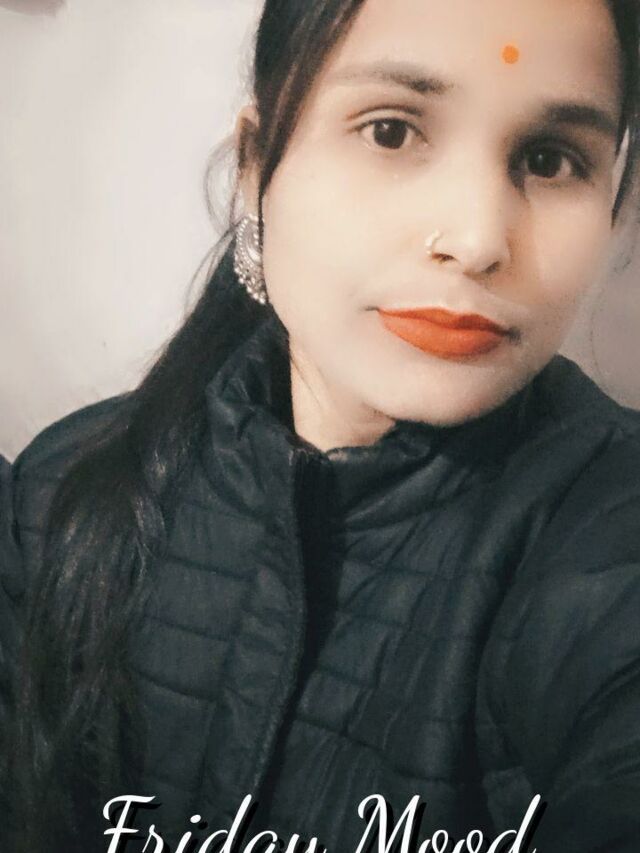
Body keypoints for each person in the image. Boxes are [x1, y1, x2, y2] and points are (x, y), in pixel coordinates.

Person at [1, 0, 640, 850]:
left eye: (551, 159)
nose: (479, 238)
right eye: (391, 132)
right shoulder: (55, 500)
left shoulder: (608, 534)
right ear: (255, 166)